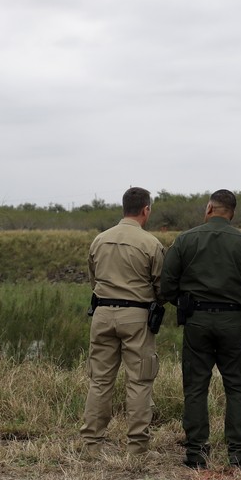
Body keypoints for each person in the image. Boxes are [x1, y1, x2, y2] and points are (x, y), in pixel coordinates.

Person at [160, 189, 241, 470]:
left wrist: (186, 304)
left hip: (197, 320)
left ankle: (196, 453)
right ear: (232, 212)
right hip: (233, 322)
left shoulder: (185, 240)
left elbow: (167, 286)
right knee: (238, 387)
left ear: (209, 208)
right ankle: (239, 454)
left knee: (195, 387)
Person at [81, 187, 166, 457]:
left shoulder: (99, 240)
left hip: (102, 314)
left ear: (123, 208)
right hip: (137, 316)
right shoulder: (151, 243)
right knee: (139, 381)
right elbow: (161, 288)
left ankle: (91, 444)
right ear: (146, 210)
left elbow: (94, 281)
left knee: (100, 381)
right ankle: (137, 448)